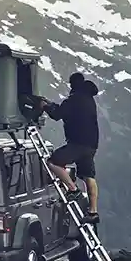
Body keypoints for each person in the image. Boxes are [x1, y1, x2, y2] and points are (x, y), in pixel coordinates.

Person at [41, 72, 100, 225]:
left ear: (73, 84)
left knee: (54, 162)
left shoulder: (73, 99)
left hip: (77, 143)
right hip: (91, 145)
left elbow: (57, 114)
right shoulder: (89, 98)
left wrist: (46, 106)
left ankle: (73, 190)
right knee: (89, 177)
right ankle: (93, 212)